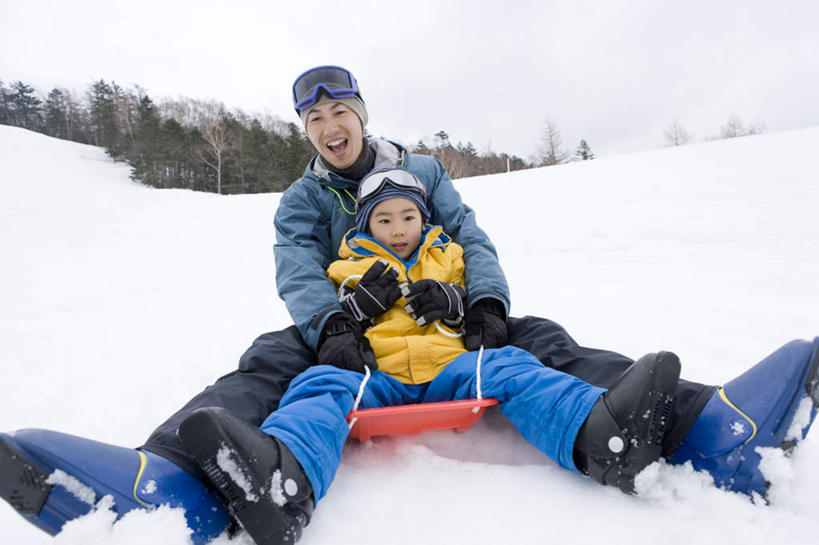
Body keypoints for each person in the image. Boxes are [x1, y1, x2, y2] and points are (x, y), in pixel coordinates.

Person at [1, 65, 817, 544]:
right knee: (268, 361)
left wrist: (483, 304)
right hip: (346, 333)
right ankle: (168, 485)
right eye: (313, 117)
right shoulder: (302, 199)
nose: (328, 126)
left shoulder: (423, 173)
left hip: (448, 316)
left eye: (339, 112)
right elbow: (295, 268)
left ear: (361, 115)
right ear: (306, 128)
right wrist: (332, 326)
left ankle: (707, 429)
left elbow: (471, 235)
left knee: (539, 342)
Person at [174, 167, 683, 544]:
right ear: (366, 226)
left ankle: (600, 436)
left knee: (511, 366)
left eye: (408, 216)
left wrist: (456, 301)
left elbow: (471, 295)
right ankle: (285, 478)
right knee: (320, 386)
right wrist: (353, 310)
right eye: (385, 219)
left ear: (424, 217)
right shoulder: (348, 264)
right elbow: (329, 310)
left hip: (452, 366)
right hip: (377, 372)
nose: (398, 229)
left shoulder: (449, 256)